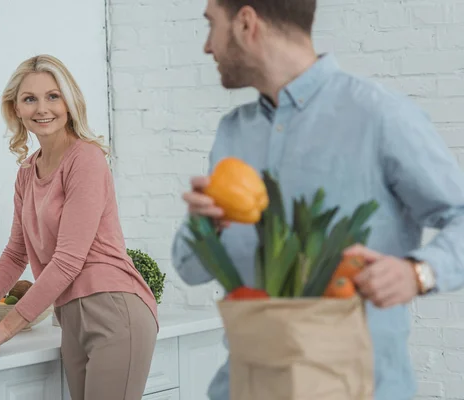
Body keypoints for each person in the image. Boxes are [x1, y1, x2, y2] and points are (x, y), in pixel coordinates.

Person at [171, 0, 464, 399]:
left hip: (358, 388)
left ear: (245, 23)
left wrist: (419, 273)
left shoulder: (380, 116)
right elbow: (190, 269)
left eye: (211, 26)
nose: (208, 47)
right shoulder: (234, 133)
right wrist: (205, 224)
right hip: (247, 386)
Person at [0, 54, 159, 400]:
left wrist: (5, 329)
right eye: (29, 98)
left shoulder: (86, 160)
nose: (42, 108)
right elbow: (16, 251)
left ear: (69, 101)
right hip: (70, 319)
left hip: (114, 310)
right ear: (16, 108)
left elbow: (68, 260)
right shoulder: (26, 174)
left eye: (53, 96)